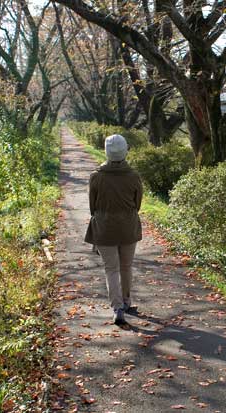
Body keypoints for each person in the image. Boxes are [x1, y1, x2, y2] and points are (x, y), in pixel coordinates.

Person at [85, 134, 143, 327]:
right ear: (125, 151)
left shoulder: (96, 176)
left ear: (106, 152)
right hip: (128, 227)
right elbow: (138, 204)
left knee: (111, 269)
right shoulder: (134, 176)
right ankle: (127, 302)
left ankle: (117, 308)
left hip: (104, 228)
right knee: (126, 267)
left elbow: (92, 206)